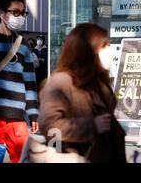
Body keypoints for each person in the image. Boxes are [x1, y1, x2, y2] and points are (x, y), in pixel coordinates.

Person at [38, 23, 126, 163]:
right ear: (88, 51)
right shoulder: (62, 82)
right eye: (104, 46)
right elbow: (48, 124)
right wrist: (91, 126)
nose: (110, 51)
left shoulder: (99, 84)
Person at [0, 0, 39, 163]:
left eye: (23, 13)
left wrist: (34, 113)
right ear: (1, 13)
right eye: (15, 12)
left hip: (17, 118)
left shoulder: (23, 45)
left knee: (24, 159)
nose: (20, 17)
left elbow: (30, 83)